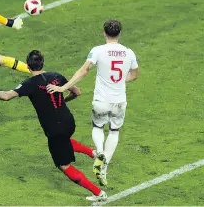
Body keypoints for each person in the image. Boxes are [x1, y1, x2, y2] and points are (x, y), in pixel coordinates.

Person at [0, 50, 107, 202]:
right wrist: (62, 102)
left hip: (54, 129)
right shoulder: (56, 76)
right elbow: (77, 92)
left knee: (63, 165)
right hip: (68, 121)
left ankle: (99, 194)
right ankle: (93, 154)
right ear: (43, 62)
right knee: (64, 141)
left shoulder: (30, 84)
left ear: (27, 66)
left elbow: (6, 96)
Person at [47, 20, 139, 186]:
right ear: (120, 34)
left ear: (104, 33)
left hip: (101, 101)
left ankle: (100, 152)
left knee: (97, 127)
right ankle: (104, 166)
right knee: (114, 131)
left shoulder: (98, 51)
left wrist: (64, 88)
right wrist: (118, 82)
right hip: (119, 101)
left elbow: (84, 71)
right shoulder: (129, 53)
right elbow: (134, 75)